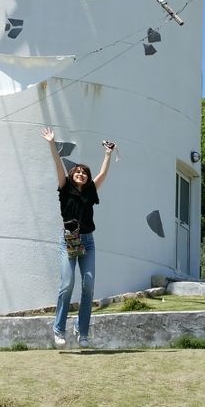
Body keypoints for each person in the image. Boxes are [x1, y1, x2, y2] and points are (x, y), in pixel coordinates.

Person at [41, 126, 116, 349]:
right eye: (77, 172)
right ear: (72, 175)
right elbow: (57, 165)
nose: (80, 174)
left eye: (84, 172)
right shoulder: (65, 188)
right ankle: (58, 329)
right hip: (68, 240)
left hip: (87, 241)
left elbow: (103, 175)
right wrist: (52, 144)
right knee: (67, 285)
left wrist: (108, 154)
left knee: (89, 286)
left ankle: (82, 332)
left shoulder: (91, 191)